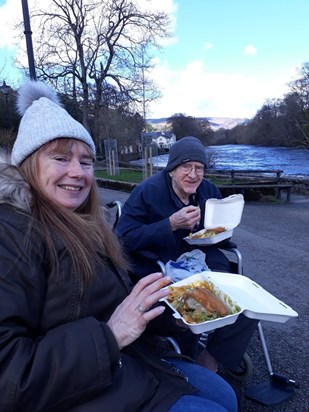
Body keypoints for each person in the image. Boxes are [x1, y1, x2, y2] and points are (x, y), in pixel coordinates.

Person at [0, 81, 238, 412]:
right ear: (28, 166)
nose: (77, 172)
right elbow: (9, 376)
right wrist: (111, 335)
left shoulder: (86, 224)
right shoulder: (11, 234)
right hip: (80, 387)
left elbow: (116, 303)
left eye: (85, 161)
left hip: (130, 358)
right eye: (60, 157)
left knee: (226, 395)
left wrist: (175, 316)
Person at [116, 136, 258, 372]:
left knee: (247, 300)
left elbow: (222, 235)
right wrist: (169, 224)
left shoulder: (208, 190)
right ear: (172, 170)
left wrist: (220, 228)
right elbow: (122, 239)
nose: (193, 174)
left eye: (199, 168)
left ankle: (211, 359)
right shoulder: (147, 192)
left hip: (203, 259)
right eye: (186, 166)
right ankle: (187, 355)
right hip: (161, 265)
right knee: (200, 305)